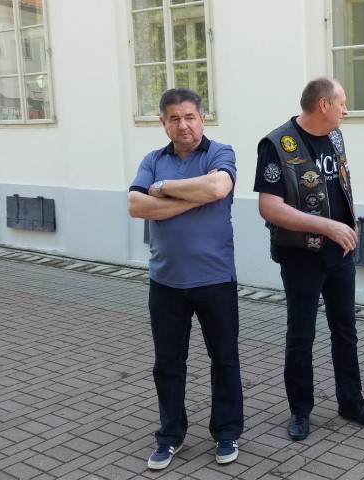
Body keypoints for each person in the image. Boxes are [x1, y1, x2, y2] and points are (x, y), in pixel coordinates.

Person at [254, 76, 364, 441]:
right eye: (342, 103)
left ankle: (351, 401)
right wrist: (326, 226)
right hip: (300, 256)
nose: (346, 110)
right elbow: (270, 207)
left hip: (339, 253)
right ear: (324, 104)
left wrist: (343, 228)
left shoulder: (336, 136)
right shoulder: (277, 144)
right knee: (301, 334)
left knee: (345, 330)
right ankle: (300, 410)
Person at [128, 88, 244, 470]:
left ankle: (226, 432)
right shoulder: (152, 159)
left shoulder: (220, 153)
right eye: (174, 118)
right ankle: (170, 435)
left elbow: (217, 187)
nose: (183, 125)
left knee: (224, 360)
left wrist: (162, 190)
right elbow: (136, 205)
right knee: (167, 364)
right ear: (164, 123)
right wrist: (194, 195)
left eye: (190, 117)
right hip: (166, 282)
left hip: (215, 280)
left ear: (202, 118)